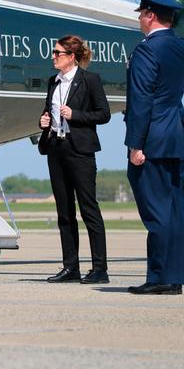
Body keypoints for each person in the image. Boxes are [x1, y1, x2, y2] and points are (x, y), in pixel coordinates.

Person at [124, 0, 184, 295]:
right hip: (177, 136)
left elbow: (142, 100)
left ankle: (158, 278)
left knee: (156, 212)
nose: (140, 20)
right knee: (174, 212)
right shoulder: (180, 47)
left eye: (142, 14)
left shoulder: (146, 51)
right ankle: (173, 278)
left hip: (153, 140)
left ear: (150, 16)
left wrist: (136, 145)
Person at [38, 34, 111, 284]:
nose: (53, 57)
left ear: (71, 57)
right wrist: (44, 121)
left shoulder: (89, 80)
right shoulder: (53, 82)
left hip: (80, 151)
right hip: (56, 148)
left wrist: (75, 114)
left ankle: (100, 269)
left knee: (89, 209)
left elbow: (104, 114)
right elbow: (49, 111)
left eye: (57, 53)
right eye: (54, 52)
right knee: (64, 212)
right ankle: (71, 268)